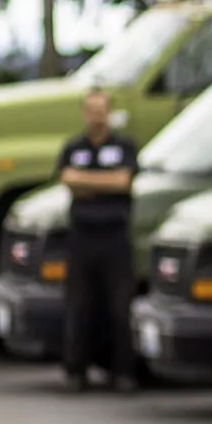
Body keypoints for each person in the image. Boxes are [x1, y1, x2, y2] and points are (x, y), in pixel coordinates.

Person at [57, 88, 140, 391]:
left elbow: (123, 181)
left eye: (101, 109)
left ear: (109, 112)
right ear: (84, 113)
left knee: (119, 308)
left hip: (114, 238)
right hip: (82, 239)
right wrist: (104, 182)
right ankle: (76, 371)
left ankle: (123, 373)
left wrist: (86, 181)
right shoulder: (73, 147)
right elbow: (67, 179)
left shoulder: (124, 146)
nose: (96, 115)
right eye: (91, 110)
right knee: (79, 307)